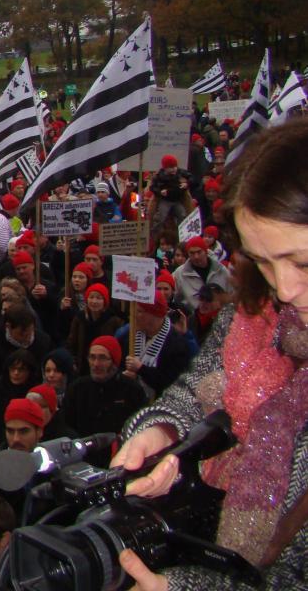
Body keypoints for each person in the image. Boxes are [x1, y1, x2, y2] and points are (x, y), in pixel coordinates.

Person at [113, 118, 308, 590]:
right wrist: (160, 431)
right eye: (263, 261)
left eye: (301, 263)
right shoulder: (255, 314)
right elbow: (198, 390)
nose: (284, 288)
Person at [62, 336, 145, 437]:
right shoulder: (76, 388)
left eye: (102, 358)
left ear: (114, 362)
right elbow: (66, 425)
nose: (96, 364)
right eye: (92, 357)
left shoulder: (132, 390)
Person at [172, 235, 233, 313]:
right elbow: (174, 297)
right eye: (192, 253)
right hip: (195, 320)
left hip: (219, 319)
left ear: (206, 252)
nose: (196, 256)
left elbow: (231, 295)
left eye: (199, 252)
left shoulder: (221, 270)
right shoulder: (179, 273)